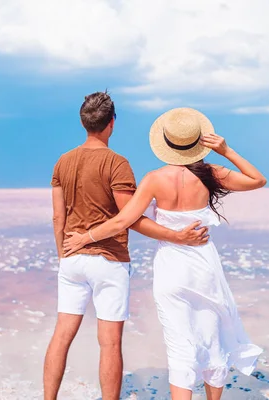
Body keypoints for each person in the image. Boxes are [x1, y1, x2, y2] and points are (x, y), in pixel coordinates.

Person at [63, 107, 266, 400]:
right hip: (204, 265)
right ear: (198, 142)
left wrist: (85, 237)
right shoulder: (211, 174)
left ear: (166, 143)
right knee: (211, 338)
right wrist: (225, 150)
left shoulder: (155, 178)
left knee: (179, 345)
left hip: (172, 266)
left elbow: (124, 220)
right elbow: (258, 180)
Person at [43, 93, 212, 400]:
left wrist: (62, 254)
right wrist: (176, 236)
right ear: (111, 123)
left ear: (84, 123)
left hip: (71, 257)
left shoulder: (62, 162)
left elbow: (58, 215)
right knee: (109, 342)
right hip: (109, 260)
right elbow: (129, 219)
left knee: (62, 335)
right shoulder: (117, 163)